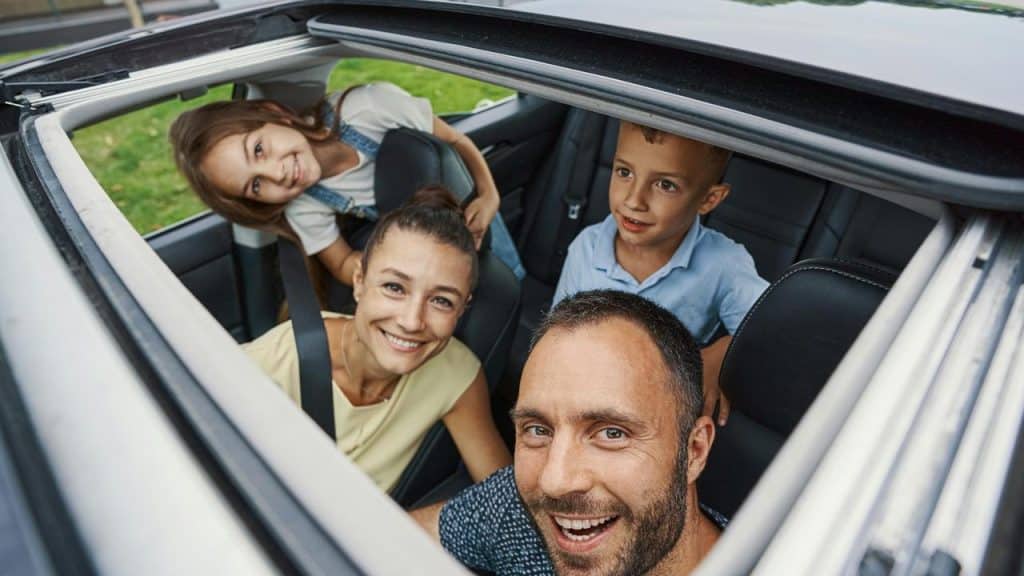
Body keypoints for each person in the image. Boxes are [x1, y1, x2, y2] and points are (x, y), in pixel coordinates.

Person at [412, 290, 724, 576]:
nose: (554, 481)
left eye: (611, 433)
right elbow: (400, 537)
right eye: (537, 430)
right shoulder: (516, 507)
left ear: (694, 451)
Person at [243, 187, 511, 492]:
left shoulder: (458, 375)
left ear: (463, 309)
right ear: (359, 281)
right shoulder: (282, 355)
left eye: (442, 301)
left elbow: (506, 502)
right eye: (394, 287)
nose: (411, 321)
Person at [169, 82, 524, 287]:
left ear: (274, 114)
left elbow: (457, 142)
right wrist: (394, 274)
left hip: (469, 211)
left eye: (259, 149)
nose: (275, 174)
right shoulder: (305, 203)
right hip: (421, 246)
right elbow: (341, 264)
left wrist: (489, 195)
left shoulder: (368, 109)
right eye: (256, 186)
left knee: (508, 277)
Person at [552, 121, 767, 425]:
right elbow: (557, 335)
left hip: (658, 413)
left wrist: (721, 352)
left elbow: (771, 330)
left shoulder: (724, 264)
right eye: (624, 172)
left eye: (665, 185)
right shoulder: (586, 247)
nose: (634, 200)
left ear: (709, 199)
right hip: (579, 397)